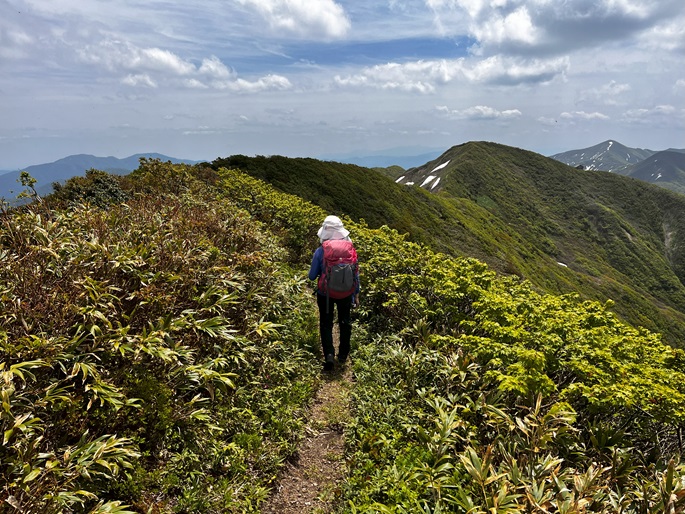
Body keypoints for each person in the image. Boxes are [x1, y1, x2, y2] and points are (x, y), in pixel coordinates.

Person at [308, 215, 359, 371]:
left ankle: (329, 355)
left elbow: (312, 276)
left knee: (326, 323)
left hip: (325, 294)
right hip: (346, 294)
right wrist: (356, 294)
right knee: (345, 322)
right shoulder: (350, 250)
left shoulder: (320, 251)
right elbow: (355, 274)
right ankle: (343, 355)